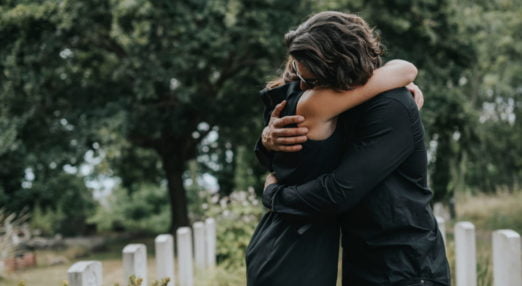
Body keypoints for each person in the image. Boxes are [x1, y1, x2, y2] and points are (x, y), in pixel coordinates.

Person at [256, 12, 451, 286]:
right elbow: (299, 159)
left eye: (312, 82)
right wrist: (266, 140)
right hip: (361, 263)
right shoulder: (341, 106)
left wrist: (275, 196)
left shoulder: (391, 106)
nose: (303, 89)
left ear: (339, 66)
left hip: (405, 268)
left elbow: (337, 192)